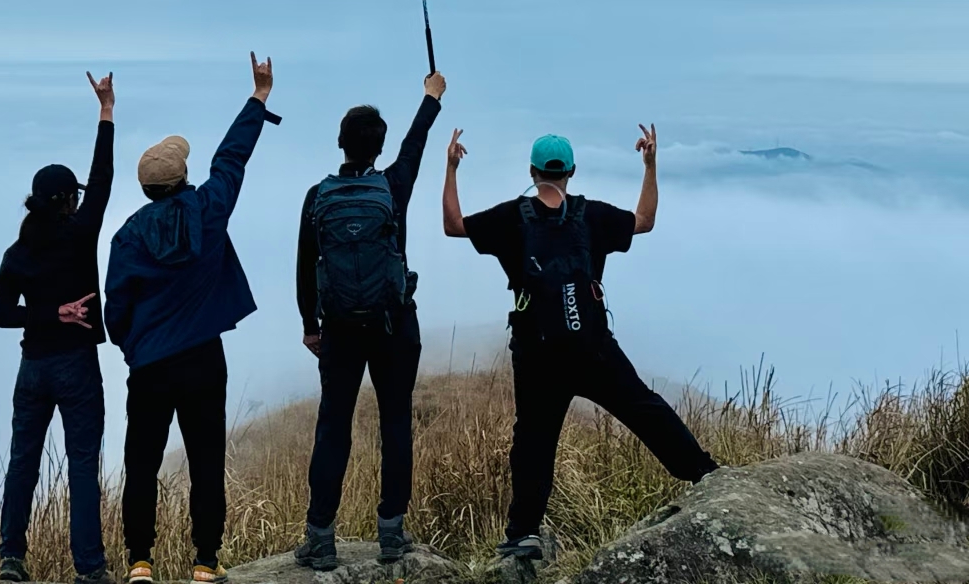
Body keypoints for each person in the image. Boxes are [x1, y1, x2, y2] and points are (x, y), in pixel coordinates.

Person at [441, 124, 718, 563]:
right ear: (571, 171)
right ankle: (704, 473)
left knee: (533, 440)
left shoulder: (511, 217)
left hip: (537, 353)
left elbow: (454, 226)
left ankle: (523, 533)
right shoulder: (592, 216)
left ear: (532, 172)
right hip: (592, 347)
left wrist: (451, 168)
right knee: (643, 407)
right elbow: (644, 221)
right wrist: (650, 165)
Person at [105, 53, 279, 584]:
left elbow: (116, 311)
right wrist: (259, 96)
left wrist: (135, 347)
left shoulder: (127, 237)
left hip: (150, 366)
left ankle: (140, 562)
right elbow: (231, 159)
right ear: (182, 178)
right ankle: (206, 561)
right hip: (203, 359)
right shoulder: (208, 210)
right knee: (206, 459)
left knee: (141, 463)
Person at [293, 71, 447, 571]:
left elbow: (305, 264)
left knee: (333, 426)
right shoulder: (394, 185)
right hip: (393, 324)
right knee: (395, 421)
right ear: (379, 148)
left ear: (340, 144)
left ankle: (321, 539)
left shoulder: (317, 196)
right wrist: (431, 98)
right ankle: (391, 535)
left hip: (339, 328)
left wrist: (310, 325)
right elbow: (415, 143)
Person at [0, 72, 117, 584]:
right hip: (76, 367)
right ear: (68, 201)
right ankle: (90, 570)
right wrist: (106, 111)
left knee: (23, 464)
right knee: (82, 467)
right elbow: (103, 180)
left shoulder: (17, 252)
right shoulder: (80, 235)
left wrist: (44, 314)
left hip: (32, 370)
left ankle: (11, 560)